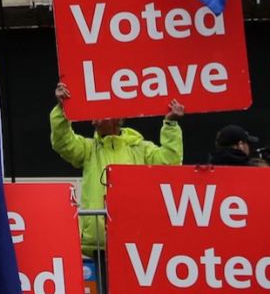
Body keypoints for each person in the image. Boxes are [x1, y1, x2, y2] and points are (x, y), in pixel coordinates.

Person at [48, 84, 184, 251]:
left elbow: (170, 162)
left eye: (96, 116)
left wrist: (170, 124)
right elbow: (62, 142)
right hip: (97, 244)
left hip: (135, 241)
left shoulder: (141, 149)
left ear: (114, 117)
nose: (92, 122)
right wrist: (62, 109)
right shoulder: (88, 149)